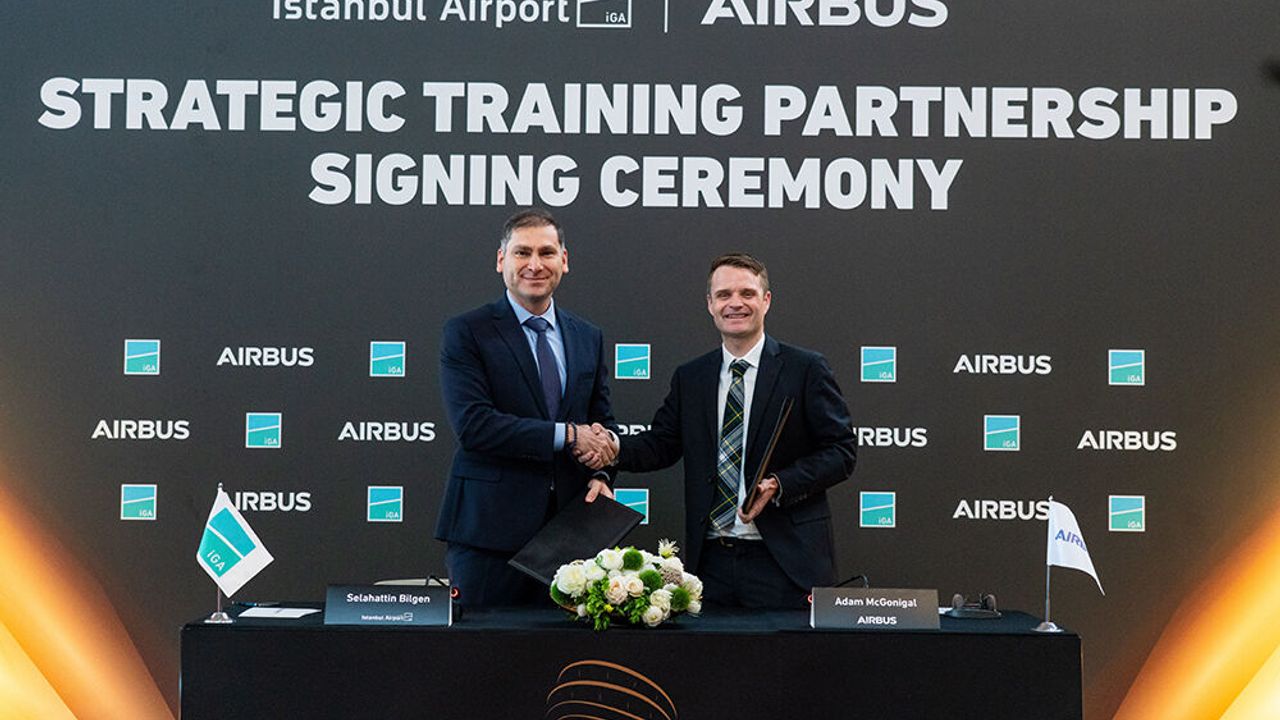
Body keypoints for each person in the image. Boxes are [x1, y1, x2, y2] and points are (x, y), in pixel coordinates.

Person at [583, 253, 855, 608]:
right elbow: (661, 444)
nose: (735, 303)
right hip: (710, 563)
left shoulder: (805, 369)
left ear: (766, 300)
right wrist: (612, 446)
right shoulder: (691, 377)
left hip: (787, 563)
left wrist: (781, 483)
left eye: (747, 293)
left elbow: (841, 451)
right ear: (710, 304)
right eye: (724, 295)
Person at [435, 208, 619, 607]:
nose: (535, 264)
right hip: (488, 538)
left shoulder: (587, 336)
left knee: (565, 649)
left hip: (572, 539)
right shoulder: (467, 332)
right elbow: (474, 425)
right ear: (501, 260)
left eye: (546, 252)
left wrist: (602, 473)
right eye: (522, 252)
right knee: (484, 647)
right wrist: (568, 435)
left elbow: (601, 422)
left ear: (564, 261)